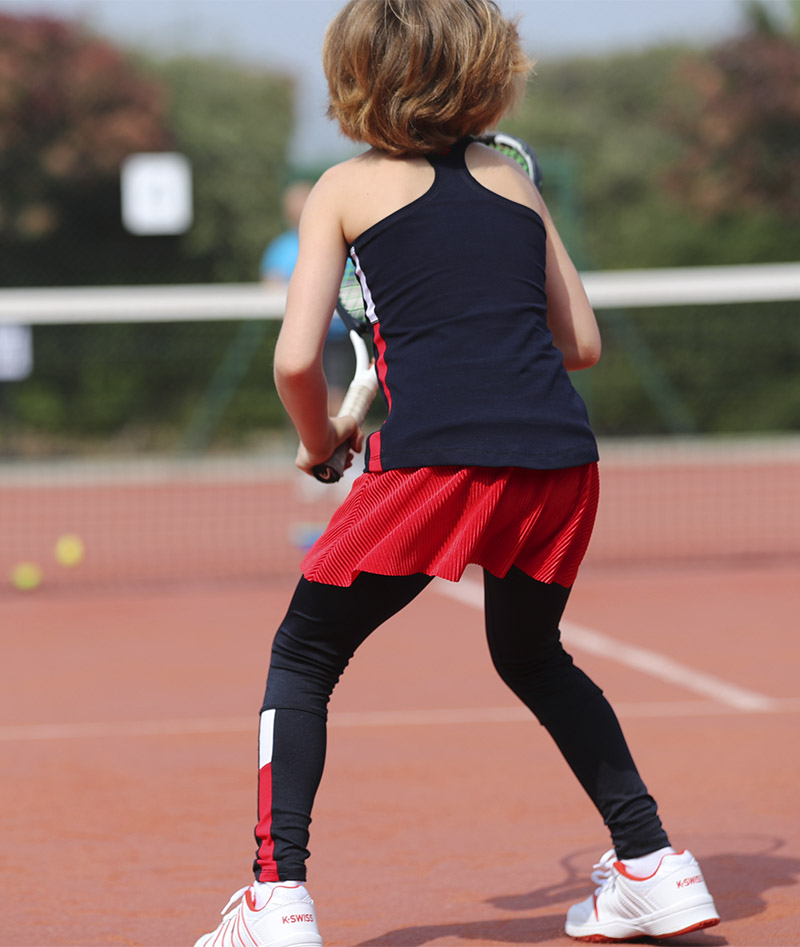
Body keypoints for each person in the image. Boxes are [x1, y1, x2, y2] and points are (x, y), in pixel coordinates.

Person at [194, 2, 720, 945]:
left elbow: (294, 361)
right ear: (488, 71)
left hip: (436, 465)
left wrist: (322, 436)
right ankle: (653, 863)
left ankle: (276, 896)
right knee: (533, 655)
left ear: (356, 74)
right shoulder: (513, 179)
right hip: (562, 460)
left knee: (304, 656)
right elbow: (582, 344)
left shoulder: (342, 188)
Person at [261, 180, 351, 414]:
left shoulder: (339, 242)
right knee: (298, 399)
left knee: (335, 396)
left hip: (336, 333)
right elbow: (271, 286)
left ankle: (335, 436)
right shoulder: (280, 248)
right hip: (299, 333)